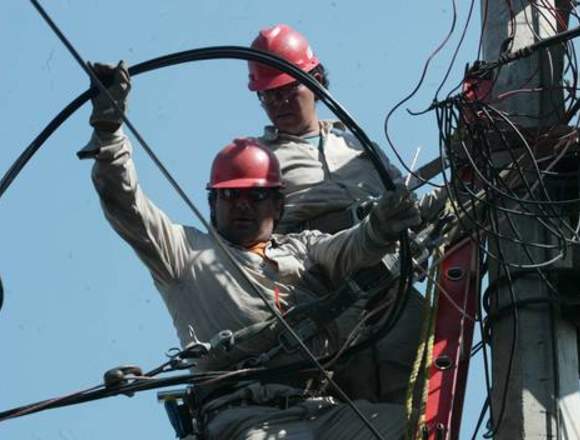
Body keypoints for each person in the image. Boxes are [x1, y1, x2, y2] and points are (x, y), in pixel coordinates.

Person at [80, 62, 422, 439]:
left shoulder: (302, 250)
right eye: (231, 196)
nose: (242, 206)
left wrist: (380, 226)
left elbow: (352, 248)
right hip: (244, 420)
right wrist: (109, 131)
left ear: (278, 206)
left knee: (416, 429)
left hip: (319, 411)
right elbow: (125, 203)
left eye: (255, 196)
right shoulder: (186, 254)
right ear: (213, 204)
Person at [246, 24, 447, 403]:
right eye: (268, 96)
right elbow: (244, 239)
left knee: (414, 400)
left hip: (391, 282)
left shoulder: (355, 142)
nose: (280, 103)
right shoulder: (257, 158)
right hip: (326, 288)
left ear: (316, 79)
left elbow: (406, 207)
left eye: (289, 90)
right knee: (348, 403)